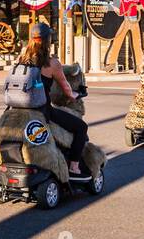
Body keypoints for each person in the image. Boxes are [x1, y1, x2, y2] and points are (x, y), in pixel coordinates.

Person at [13, 22, 90, 176]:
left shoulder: (20, 59)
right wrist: (74, 95)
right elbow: (66, 88)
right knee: (81, 128)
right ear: (48, 40)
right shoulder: (52, 63)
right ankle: (74, 166)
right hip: (43, 111)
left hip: (17, 109)